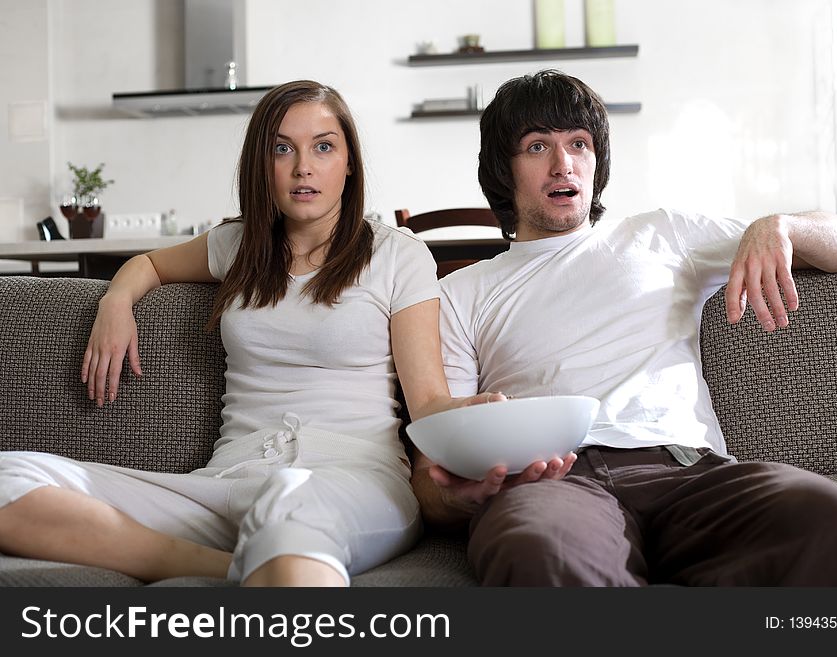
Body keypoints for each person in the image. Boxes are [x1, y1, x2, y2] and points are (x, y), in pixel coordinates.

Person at [0, 80, 479, 587]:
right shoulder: (238, 245)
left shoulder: (397, 255)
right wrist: (115, 301)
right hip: (229, 482)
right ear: (262, 164)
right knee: (9, 476)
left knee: (289, 513)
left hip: (351, 481)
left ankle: (262, 561)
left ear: (349, 162)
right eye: (282, 148)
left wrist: (480, 418)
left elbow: (427, 401)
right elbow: (148, 265)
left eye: (323, 146)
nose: (303, 167)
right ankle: (214, 567)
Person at [412, 69, 837, 586]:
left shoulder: (665, 234)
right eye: (537, 146)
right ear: (504, 168)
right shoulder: (457, 294)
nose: (563, 163)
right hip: (555, 483)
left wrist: (779, 225)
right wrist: (461, 494)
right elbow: (430, 479)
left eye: (579, 144)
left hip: (691, 473)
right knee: (541, 556)